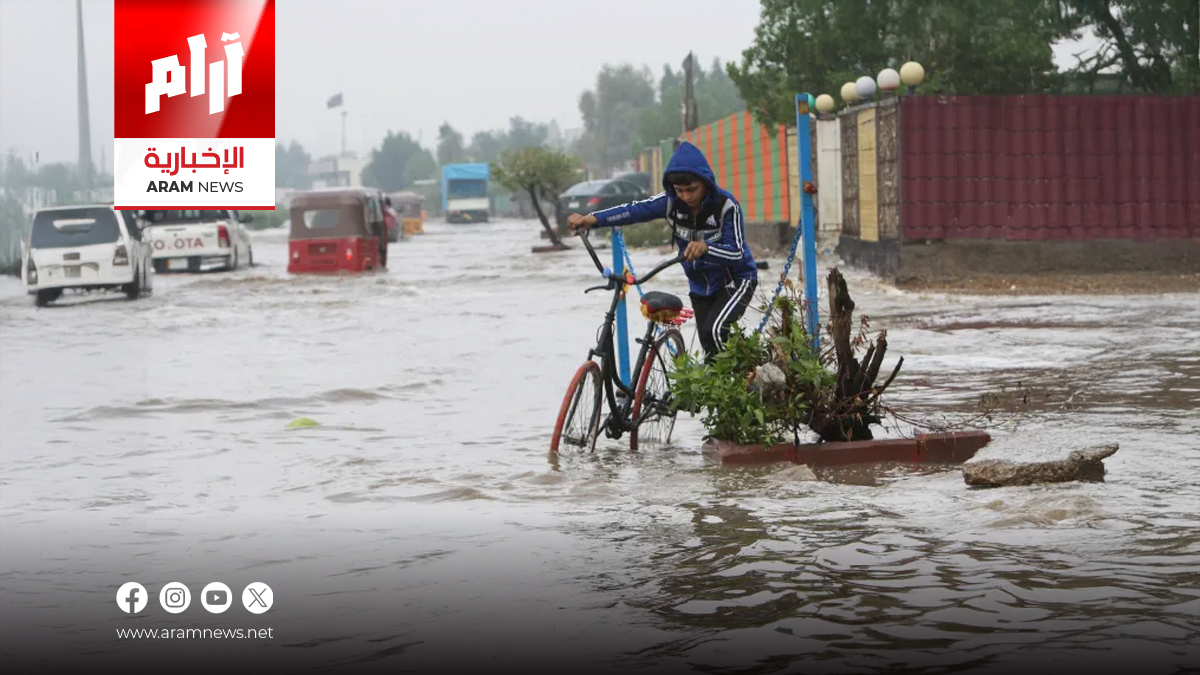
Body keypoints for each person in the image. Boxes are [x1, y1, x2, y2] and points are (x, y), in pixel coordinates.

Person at [568, 141, 758, 361]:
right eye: (680, 191)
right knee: (709, 344)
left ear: (706, 183)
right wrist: (592, 219)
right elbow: (634, 210)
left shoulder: (727, 206)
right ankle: (731, 378)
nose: (686, 196)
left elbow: (736, 253)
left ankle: (744, 374)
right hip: (699, 285)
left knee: (715, 331)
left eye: (692, 190)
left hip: (736, 280)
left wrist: (706, 248)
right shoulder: (670, 203)